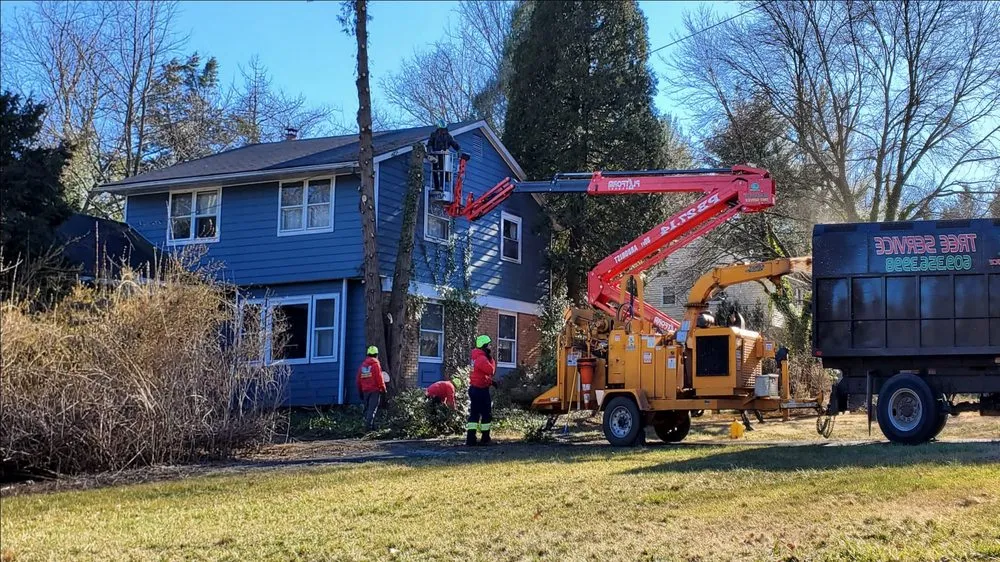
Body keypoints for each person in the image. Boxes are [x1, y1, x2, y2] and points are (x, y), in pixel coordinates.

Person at [467, 335, 497, 446]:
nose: (490, 346)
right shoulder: (482, 358)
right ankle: (485, 438)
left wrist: (491, 383)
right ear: (485, 346)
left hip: (475, 389)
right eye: (489, 344)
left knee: (474, 414)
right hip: (480, 390)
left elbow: (481, 375)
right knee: (486, 414)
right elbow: (491, 370)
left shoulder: (476, 357)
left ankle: (471, 438)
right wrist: (491, 359)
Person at [356, 345, 386, 431]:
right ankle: (368, 428)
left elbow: (358, 380)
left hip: (365, 391)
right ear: (376, 354)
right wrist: (383, 388)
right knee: (372, 409)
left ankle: (368, 426)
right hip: (374, 391)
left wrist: (360, 392)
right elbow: (379, 377)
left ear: (368, 354)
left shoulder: (362, 366)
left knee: (367, 409)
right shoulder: (376, 364)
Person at [427, 119, 461, 193]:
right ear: (438, 128)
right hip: (435, 155)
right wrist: (430, 152)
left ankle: (441, 186)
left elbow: (454, 144)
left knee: (443, 171)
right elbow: (429, 143)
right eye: (441, 129)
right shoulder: (434, 135)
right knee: (435, 171)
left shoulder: (448, 136)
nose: (442, 131)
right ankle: (437, 186)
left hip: (444, 156)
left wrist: (458, 150)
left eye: (444, 129)